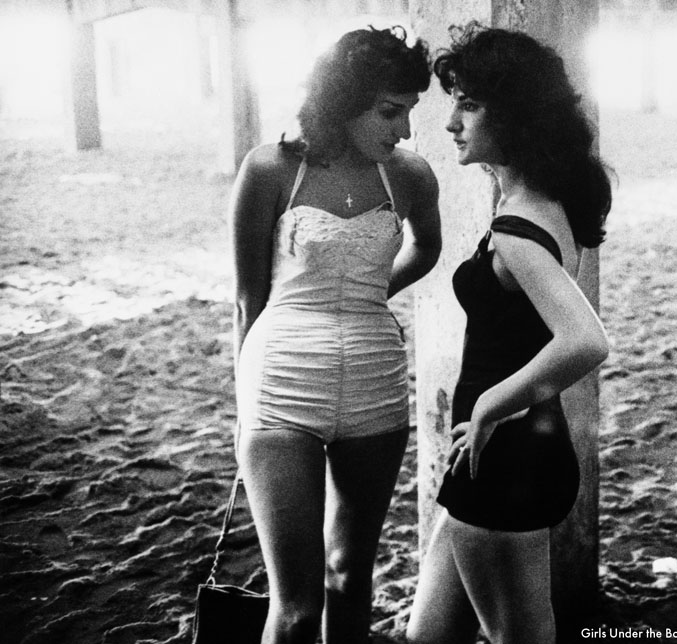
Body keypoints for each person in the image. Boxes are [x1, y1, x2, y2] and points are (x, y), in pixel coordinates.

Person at [230, 26, 441, 644]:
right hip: (282, 380)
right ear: (343, 100)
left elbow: (428, 248)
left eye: (409, 112)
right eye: (389, 111)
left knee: (351, 579)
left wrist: (376, 292)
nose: (402, 129)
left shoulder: (410, 177)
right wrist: (245, 403)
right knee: (295, 609)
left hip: (375, 382)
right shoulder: (270, 169)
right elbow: (248, 295)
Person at [406, 24, 611, 644]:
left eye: (468, 104)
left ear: (515, 115)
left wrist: (493, 402)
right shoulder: (545, 202)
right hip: (510, 454)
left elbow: (586, 341)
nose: (451, 123)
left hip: (507, 458)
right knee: (428, 636)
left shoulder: (518, 229)